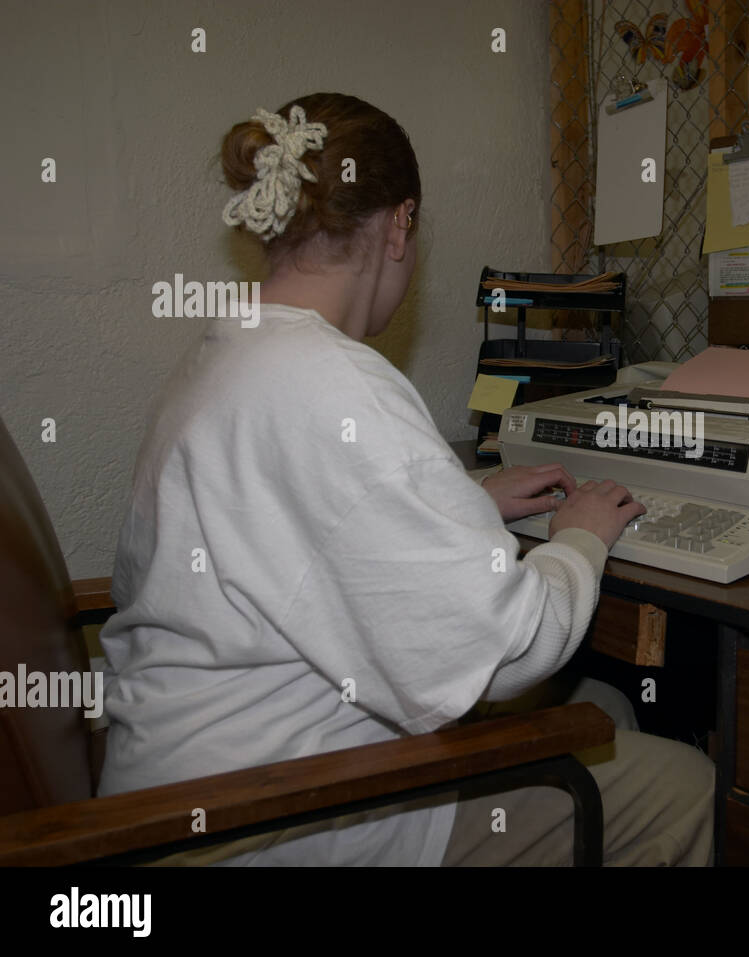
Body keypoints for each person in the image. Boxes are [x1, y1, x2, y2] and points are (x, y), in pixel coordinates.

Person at [97, 92, 714, 866]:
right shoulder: (333, 383)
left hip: (166, 789)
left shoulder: (224, 354)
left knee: (610, 701)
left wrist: (460, 503)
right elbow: (512, 651)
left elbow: (298, 525)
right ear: (399, 225)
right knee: (683, 784)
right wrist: (579, 541)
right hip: (267, 822)